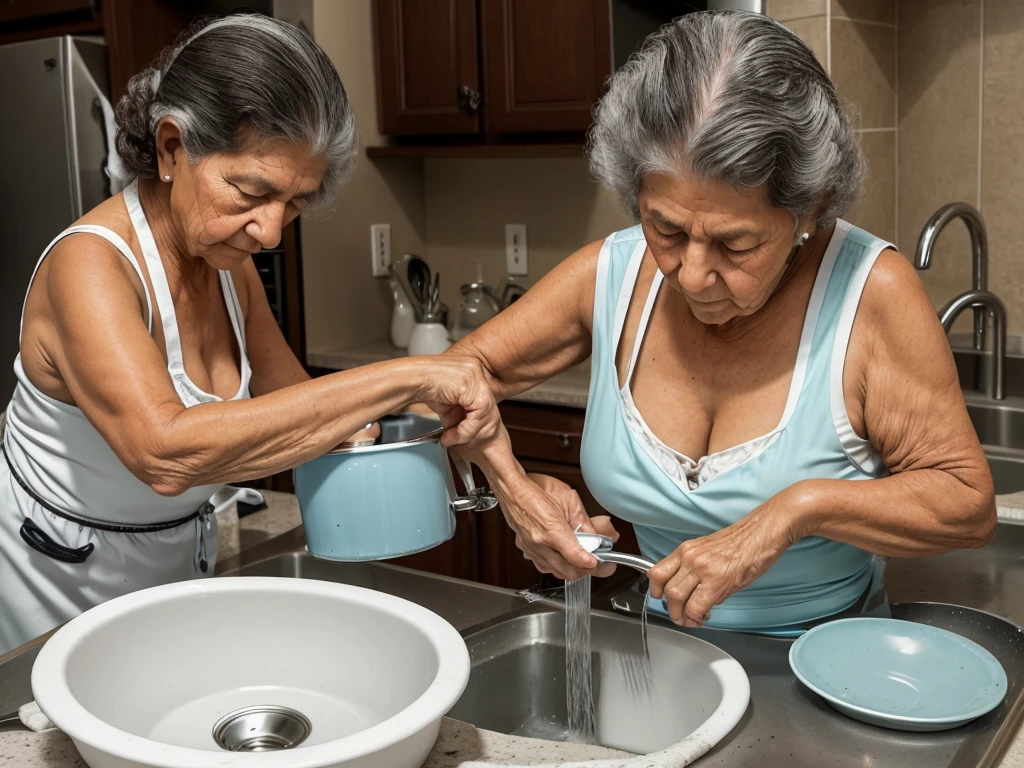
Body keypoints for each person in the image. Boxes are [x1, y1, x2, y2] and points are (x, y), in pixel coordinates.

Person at [0, 14, 607, 657]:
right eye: (250, 191)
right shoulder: (90, 265)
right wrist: (410, 372)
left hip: (176, 561)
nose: (269, 231)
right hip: (52, 579)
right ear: (173, 148)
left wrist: (506, 483)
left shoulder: (229, 271)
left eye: (294, 203)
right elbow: (165, 454)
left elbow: (323, 426)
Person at [449, 11, 996, 635]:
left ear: (809, 210)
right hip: (662, 654)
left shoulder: (873, 292)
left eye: (736, 245)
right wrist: (518, 489)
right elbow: (444, 390)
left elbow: (966, 504)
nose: (691, 275)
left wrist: (797, 509)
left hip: (824, 665)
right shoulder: (611, 273)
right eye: (667, 229)